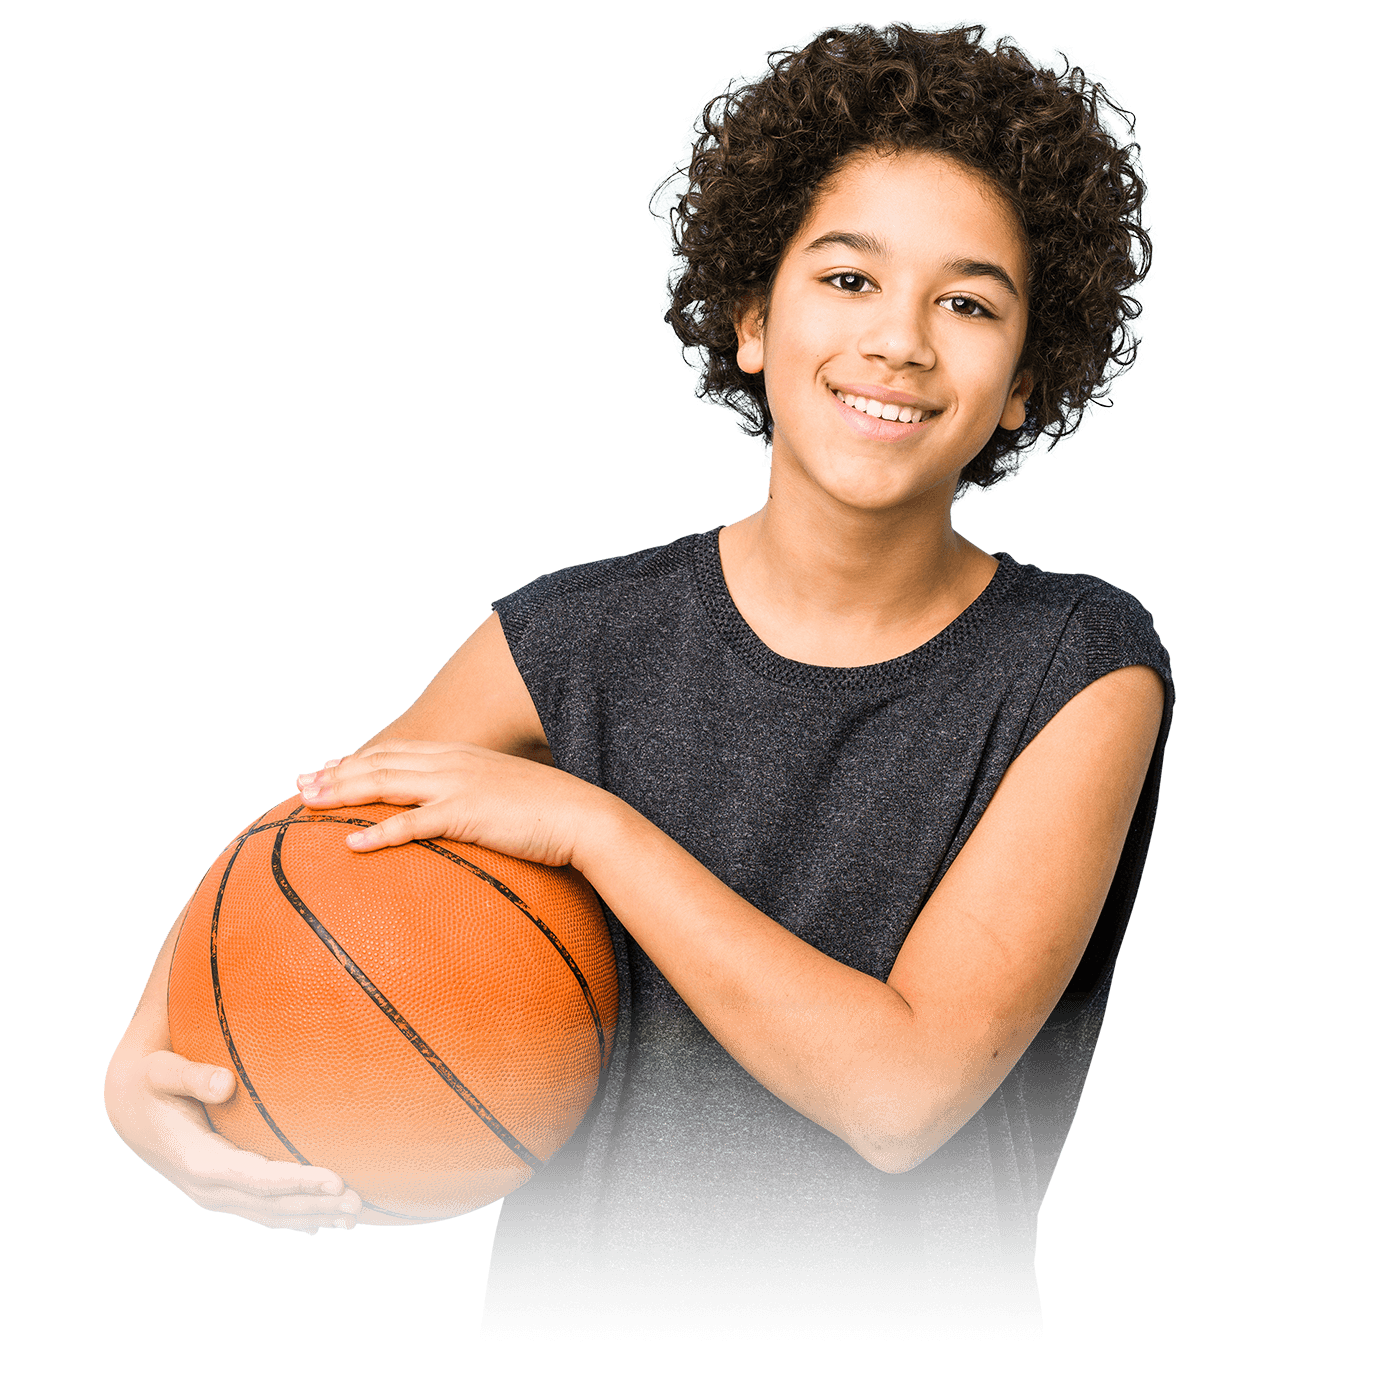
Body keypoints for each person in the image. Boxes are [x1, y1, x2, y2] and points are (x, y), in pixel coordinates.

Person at [105, 21, 1173, 1331]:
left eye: (968, 301)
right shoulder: (576, 638)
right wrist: (136, 1057)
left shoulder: (1079, 666)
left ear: (1023, 380)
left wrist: (591, 827)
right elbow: (311, 829)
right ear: (750, 320)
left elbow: (904, 1099)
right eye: (847, 279)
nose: (901, 339)